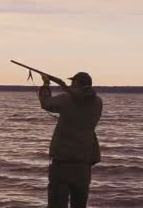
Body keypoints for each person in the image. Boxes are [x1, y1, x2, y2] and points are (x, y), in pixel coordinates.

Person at [39, 72, 102, 208]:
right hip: (83, 165)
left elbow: (46, 103)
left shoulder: (67, 99)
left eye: (73, 83)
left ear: (77, 84)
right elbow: (80, 103)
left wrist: (45, 84)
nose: (71, 85)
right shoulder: (98, 102)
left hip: (62, 164)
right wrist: (65, 88)